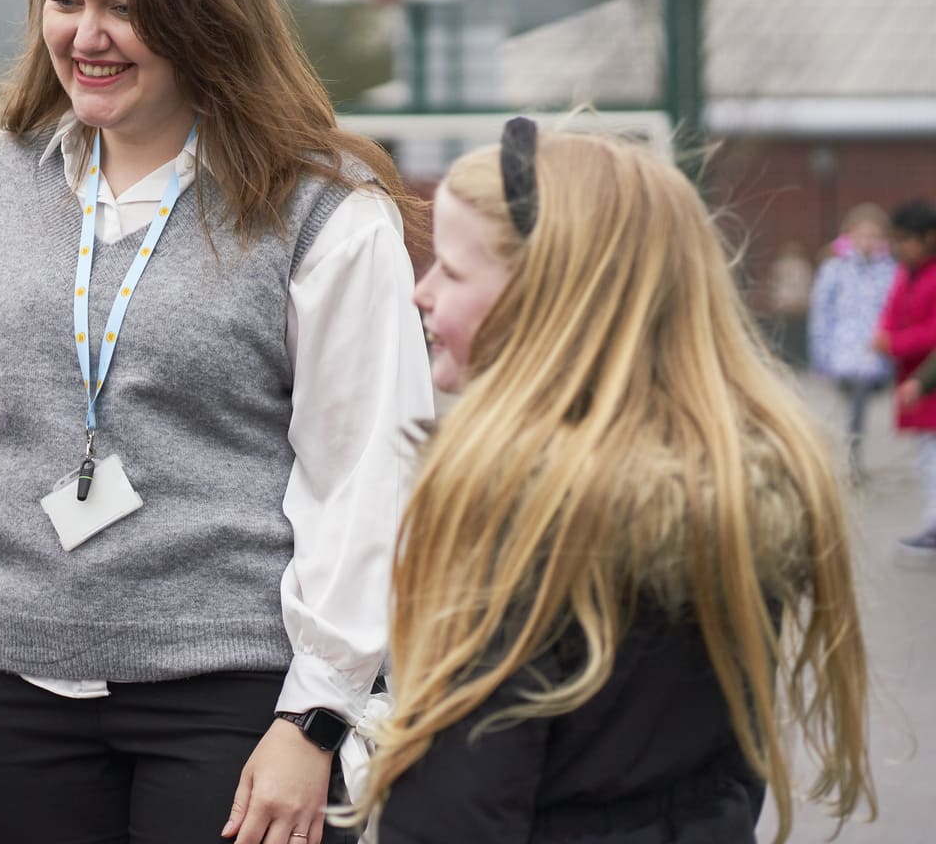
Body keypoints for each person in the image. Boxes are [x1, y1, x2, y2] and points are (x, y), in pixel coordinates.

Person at [0, 0, 433, 844]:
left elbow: (368, 473)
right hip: (9, 685)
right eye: (65, 0)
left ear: (203, 11)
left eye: (124, 6)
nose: (87, 36)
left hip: (232, 701)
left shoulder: (321, 209)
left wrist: (318, 714)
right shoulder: (4, 178)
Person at [371, 120, 875, 842]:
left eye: (449, 270)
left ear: (551, 296)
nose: (422, 292)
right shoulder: (732, 503)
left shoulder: (514, 513)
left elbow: (456, 807)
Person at [807, 203, 897, 476]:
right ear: (850, 236)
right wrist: (820, 354)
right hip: (844, 350)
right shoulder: (835, 269)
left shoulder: (890, 269)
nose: (868, 242)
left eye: (873, 235)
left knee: (862, 404)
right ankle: (851, 456)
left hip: (878, 350)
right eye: (863, 235)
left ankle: (854, 452)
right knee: (853, 402)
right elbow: (821, 312)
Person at [875, 198, 936, 554]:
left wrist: (894, 342)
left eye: (907, 239)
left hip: (925, 380)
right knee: (925, 457)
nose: (902, 247)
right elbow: (892, 310)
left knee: (932, 460)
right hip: (915, 381)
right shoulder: (905, 273)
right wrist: (884, 334)